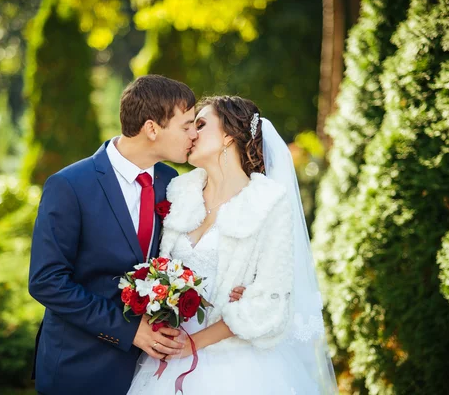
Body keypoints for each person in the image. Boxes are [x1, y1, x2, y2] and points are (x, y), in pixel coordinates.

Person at [127, 96, 339, 394]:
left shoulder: (268, 202)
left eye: (200, 125)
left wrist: (193, 344)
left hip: (236, 366)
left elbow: (270, 300)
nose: (191, 134)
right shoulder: (178, 190)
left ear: (228, 135)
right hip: (164, 354)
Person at [28, 75, 198, 395]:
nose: (194, 134)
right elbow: (46, 280)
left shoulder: (170, 180)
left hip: (149, 373)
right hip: (79, 366)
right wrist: (128, 330)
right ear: (151, 128)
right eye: (187, 125)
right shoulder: (70, 186)